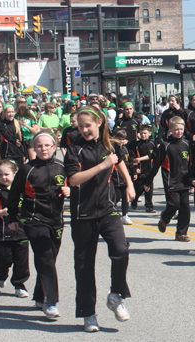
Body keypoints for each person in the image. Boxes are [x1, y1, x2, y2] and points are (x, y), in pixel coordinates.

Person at [64, 106, 133, 332]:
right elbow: (74, 180)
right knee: (84, 266)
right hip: (82, 214)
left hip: (108, 209)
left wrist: (129, 183)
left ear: (99, 123)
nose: (84, 129)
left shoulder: (109, 145)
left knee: (121, 250)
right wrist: (102, 165)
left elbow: (119, 159)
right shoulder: (74, 149)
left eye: (88, 125)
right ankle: (88, 314)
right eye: (80, 125)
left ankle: (115, 296)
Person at [7, 131, 69, 318]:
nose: (43, 149)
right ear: (34, 148)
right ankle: (51, 301)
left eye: (47, 145)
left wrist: (69, 191)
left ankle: (39, 296)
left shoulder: (62, 167)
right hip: (33, 219)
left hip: (56, 220)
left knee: (49, 259)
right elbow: (14, 194)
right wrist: (12, 218)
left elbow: (75, 187)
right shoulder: (27, 169)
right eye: (39, 146)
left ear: (54, 147)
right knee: (45, 257)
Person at [0, 160, 30, 297]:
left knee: (21, 261)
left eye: (6, 174)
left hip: (22, 232)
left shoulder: (23, 190)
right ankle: (1, 274)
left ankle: (19, 285)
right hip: (3, 232)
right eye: (0, 175)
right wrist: (1, 212)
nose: (3, 177)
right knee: (4, 258)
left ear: (15, 174)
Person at [145, 116, 191, 242]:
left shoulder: (187, 144)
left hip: (185, 180)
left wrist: (193, 179)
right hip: (171, 180)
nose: (179, 132)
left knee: (185, 207)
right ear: (170, 129)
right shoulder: (165, 146)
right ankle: (165, 218)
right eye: (176, 129)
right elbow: (156, 165)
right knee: (174, 204)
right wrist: (148, 180)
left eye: (181, 129)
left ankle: (181, 233)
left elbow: (190, 164)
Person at [111, 129, 135, 226]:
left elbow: (129, 163)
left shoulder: (125, 150)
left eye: (123, 139)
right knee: (116, 197)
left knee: (126, 198)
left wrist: (134, 172)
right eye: (119, 139)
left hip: (124, 178)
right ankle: (113, 211)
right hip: (114, 178)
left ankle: (125, 215)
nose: (121, 141)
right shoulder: (111, 149)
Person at [130, 125, 156, 213]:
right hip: (140, 170)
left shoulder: (153, 144)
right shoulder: (136, 145)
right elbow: (132, 158)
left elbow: (154, 156)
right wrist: (135, 168)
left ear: (149, 133)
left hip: (149, 170)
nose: (143, 135)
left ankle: (149, 206)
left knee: (149, 188)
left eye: (145, 133)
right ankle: (135, 199)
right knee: (139, 188)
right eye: (141, 133)